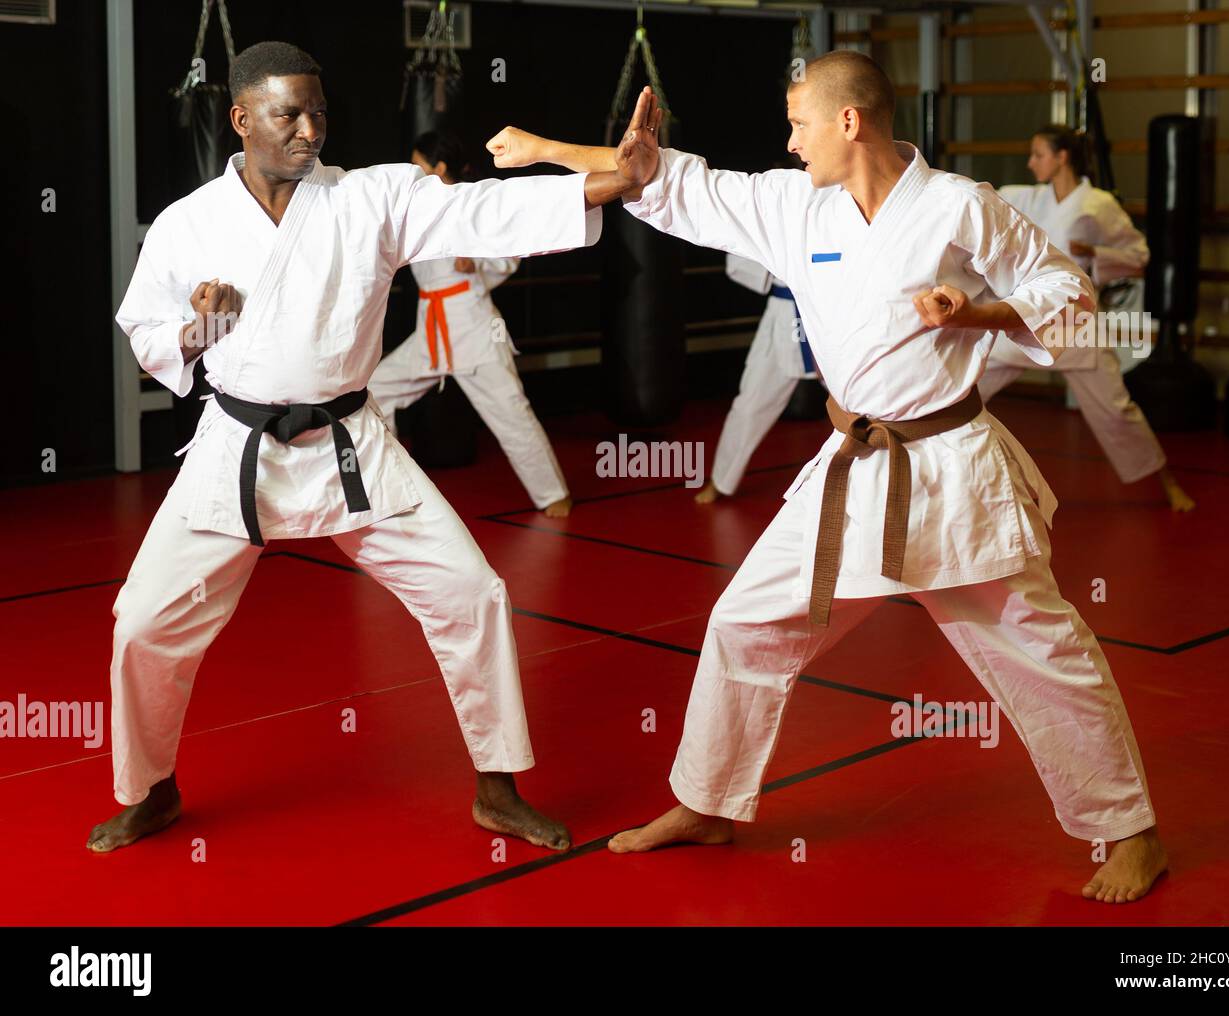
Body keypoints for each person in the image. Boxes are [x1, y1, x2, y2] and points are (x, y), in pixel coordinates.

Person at [488, 55, 1168, 903]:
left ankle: (1131, 830)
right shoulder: (794, 208)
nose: (788, 139)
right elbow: (681, 184)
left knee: (1042, 651)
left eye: (799, 122)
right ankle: (706, 802)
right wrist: (553, 146)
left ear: (849, 122)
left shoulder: (959, 205)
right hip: (853, 471)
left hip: (952, 473)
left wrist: (981, 310)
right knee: (744, 622)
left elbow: (1067, 292)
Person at [92, 40, 637, 854]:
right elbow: (148, 336)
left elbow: (478, 212)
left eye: (319, 111)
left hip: (351, 444)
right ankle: (153, 788)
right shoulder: (188, 223)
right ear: (241, 120)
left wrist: (608, 182)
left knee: (472, 594)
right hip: (235, 450)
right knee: (141, 623)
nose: (309, 130)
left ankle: (497, 786)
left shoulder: (373, 196)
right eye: (288, 114)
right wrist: (200, 327)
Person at [981, 125, 1194, 512]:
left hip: (1074, 320)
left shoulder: (1097, 203)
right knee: (965, 389)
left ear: (1062, 157)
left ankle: (1167, 483)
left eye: (1039, 154)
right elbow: (981, 197)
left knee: (1115, 409)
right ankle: (941, 475)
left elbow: (1138, 254)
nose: (1031, 163)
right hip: (1029, 315)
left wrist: (1095, 252)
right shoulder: (1026, 197)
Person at [369, 131, 573, 518]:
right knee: (375, 391)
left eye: (419, 164)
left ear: (439, 168)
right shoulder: (414, 210)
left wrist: (478, 261)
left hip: (473, 327)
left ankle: (553, 493)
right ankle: (392, 488)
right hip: (432, 330)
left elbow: (511, 254)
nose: (413, 171)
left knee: (510, 410)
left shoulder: (471, 205)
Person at [691, 248, 822, 504]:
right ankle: (721, 480)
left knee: (860, 402)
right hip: (783, 315)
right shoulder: (770, 208)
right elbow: (738, 260)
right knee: (751, 403)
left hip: (827, 314)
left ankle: (881, 474)